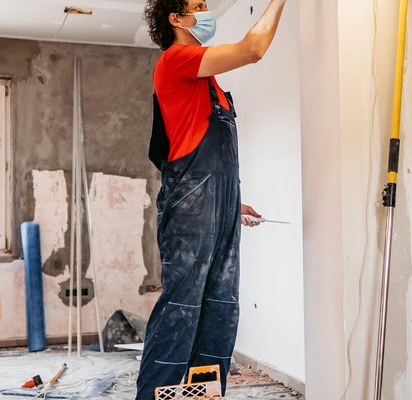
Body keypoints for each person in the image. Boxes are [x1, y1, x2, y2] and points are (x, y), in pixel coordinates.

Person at [138, 0, 287, 398]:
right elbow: (253, 49)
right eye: (198, 5)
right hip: (190, 213)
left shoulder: (210, 84)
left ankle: (201, 395)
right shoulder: (176, 59)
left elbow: (200, 151)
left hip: (216, 208)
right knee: (181, 312)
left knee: (219, 311)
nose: (206, 11)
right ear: (176, 18)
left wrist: (231, 202)